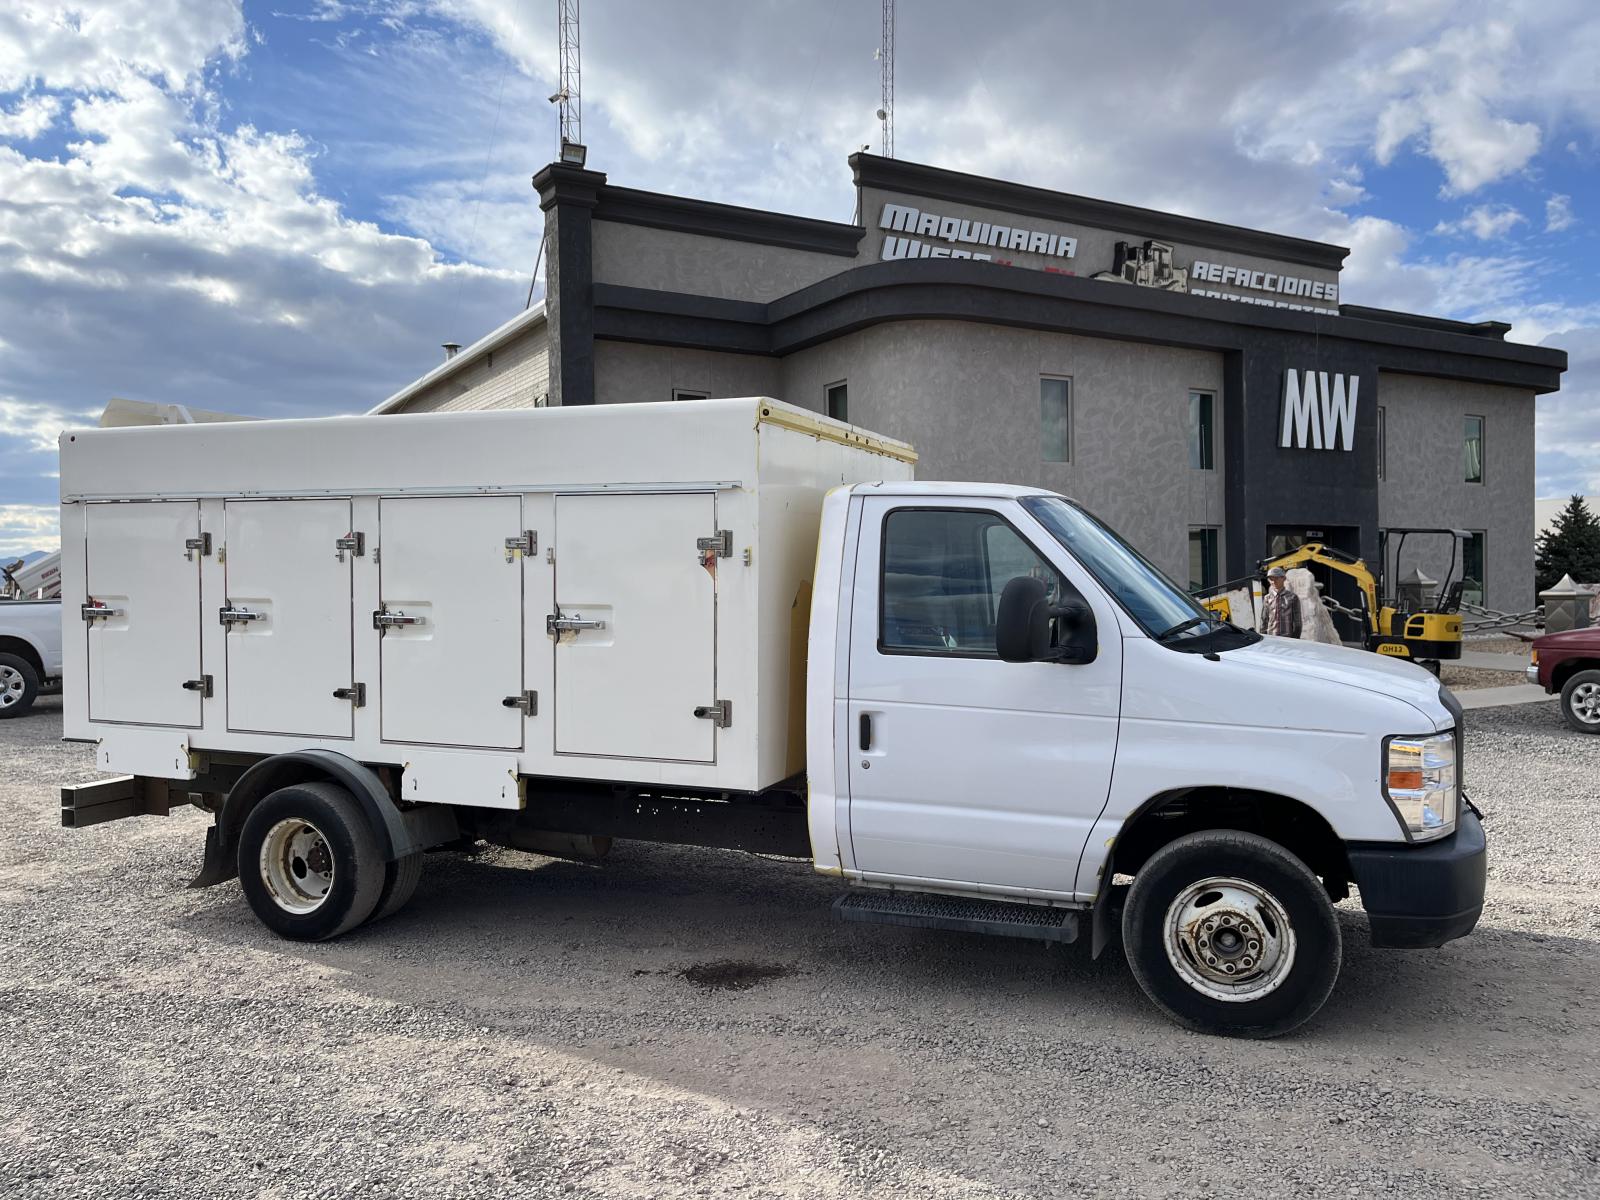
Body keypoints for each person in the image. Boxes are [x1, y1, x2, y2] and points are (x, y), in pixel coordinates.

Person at [1261, 566, 1302, 638]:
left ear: (1284, 578)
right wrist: (1262, 637)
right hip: (1271, 637)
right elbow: (1264, 620)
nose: (1273, 581)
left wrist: (1295, 639)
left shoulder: (1293, 597)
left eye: (1276, 578)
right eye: (1271, 579)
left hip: (1287, 638)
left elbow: (1297, 622)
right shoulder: (1267, 598)